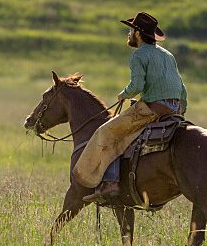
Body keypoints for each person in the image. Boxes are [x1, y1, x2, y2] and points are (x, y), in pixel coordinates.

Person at [74, 12, 187, 203]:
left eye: (131, 30)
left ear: (138, 33)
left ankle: (110, 183)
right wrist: (180, 110)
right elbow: (182, 88)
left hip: (152, 109)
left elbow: (137, 86)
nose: (129, 33)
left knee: (108, 132)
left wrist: (123, 95)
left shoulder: (138, 55)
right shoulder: (168, 55)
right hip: (175, 109)